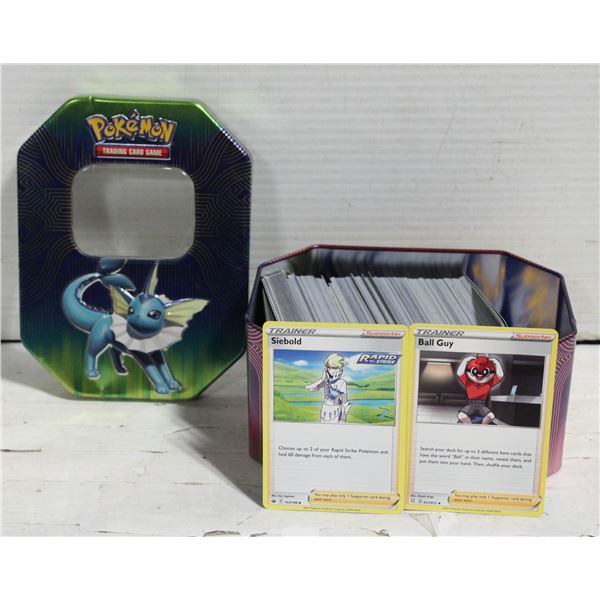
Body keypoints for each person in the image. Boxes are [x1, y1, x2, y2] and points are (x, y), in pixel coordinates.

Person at [456, 354, 504, 425]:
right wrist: (465, 361)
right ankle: (470, 427)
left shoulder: (489, 383)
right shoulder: (468, 381)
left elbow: (500, 375)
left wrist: (497, 363)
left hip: (482, 405)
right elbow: (459, 373)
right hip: (470, 405)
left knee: (491, 416)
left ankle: (482, 428)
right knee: (461, 415)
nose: (480, 375)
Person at [305, 353, 351, 424]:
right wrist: (322, 379)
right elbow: (312, 389)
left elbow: (345, 402)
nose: (331, 370)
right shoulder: (326, 380)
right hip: (324, 410)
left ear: (339, 369)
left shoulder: (342, 382)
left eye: (334, 368)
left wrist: (343, 419)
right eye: (329, 368)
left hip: (335, 411)